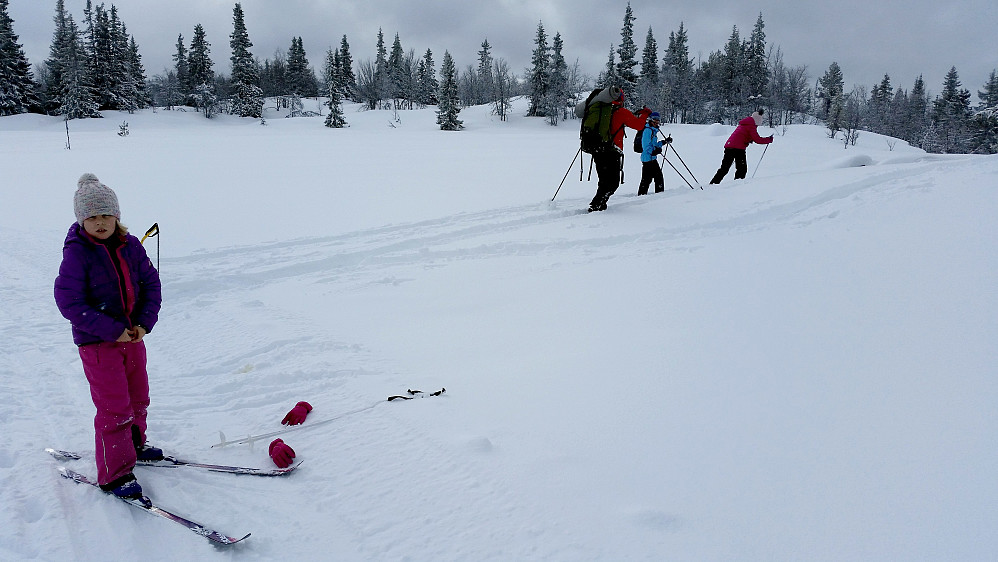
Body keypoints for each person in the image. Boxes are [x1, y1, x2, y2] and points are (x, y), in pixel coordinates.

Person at [54, 173, 163, 500]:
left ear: (117, 216)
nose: (100, 223)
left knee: (138, 398)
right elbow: (69, 300)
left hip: (133, 339)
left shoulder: (130, 246)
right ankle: (114, 474)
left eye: (106, 215)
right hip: (99, 345)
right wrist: (112, 329)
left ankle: (133, 445)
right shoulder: (78, 252)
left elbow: (151, 286)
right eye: (92, 217)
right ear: (81, 219)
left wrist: (143, 323)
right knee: (115, 407)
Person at [579, 88, 651, 212]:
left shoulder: (600, 109)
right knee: (613, 182)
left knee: (603, 180)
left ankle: (599, 204)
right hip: (611, 151)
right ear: (621, 99)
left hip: (598, 149)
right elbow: (639, 125)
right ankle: (596, 205)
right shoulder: (621, 112)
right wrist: (645, 114)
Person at [709, 109, 774, 184]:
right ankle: (737, 185)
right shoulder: (751, 126)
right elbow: (757, 140)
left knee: (725, 168)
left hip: (730, 147)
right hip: (738, 149)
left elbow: (741, 136)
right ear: (758, 120)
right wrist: (768, 140)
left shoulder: (745, 124)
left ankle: (713, 184)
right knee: (742, 169)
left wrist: (748, 139)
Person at [637, 112, 672, 195]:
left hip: (651, 158)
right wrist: (653, 152)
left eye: (658, 120)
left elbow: (654, 145)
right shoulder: (648, 130)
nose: (656, 122)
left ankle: (644, 195)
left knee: (650, 178)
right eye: (654, 120)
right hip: (648, 158)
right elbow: (645, 145)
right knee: (653, 178)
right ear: (650, 120)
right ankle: (656, 196)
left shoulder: (653, 131)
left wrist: (664, 142)